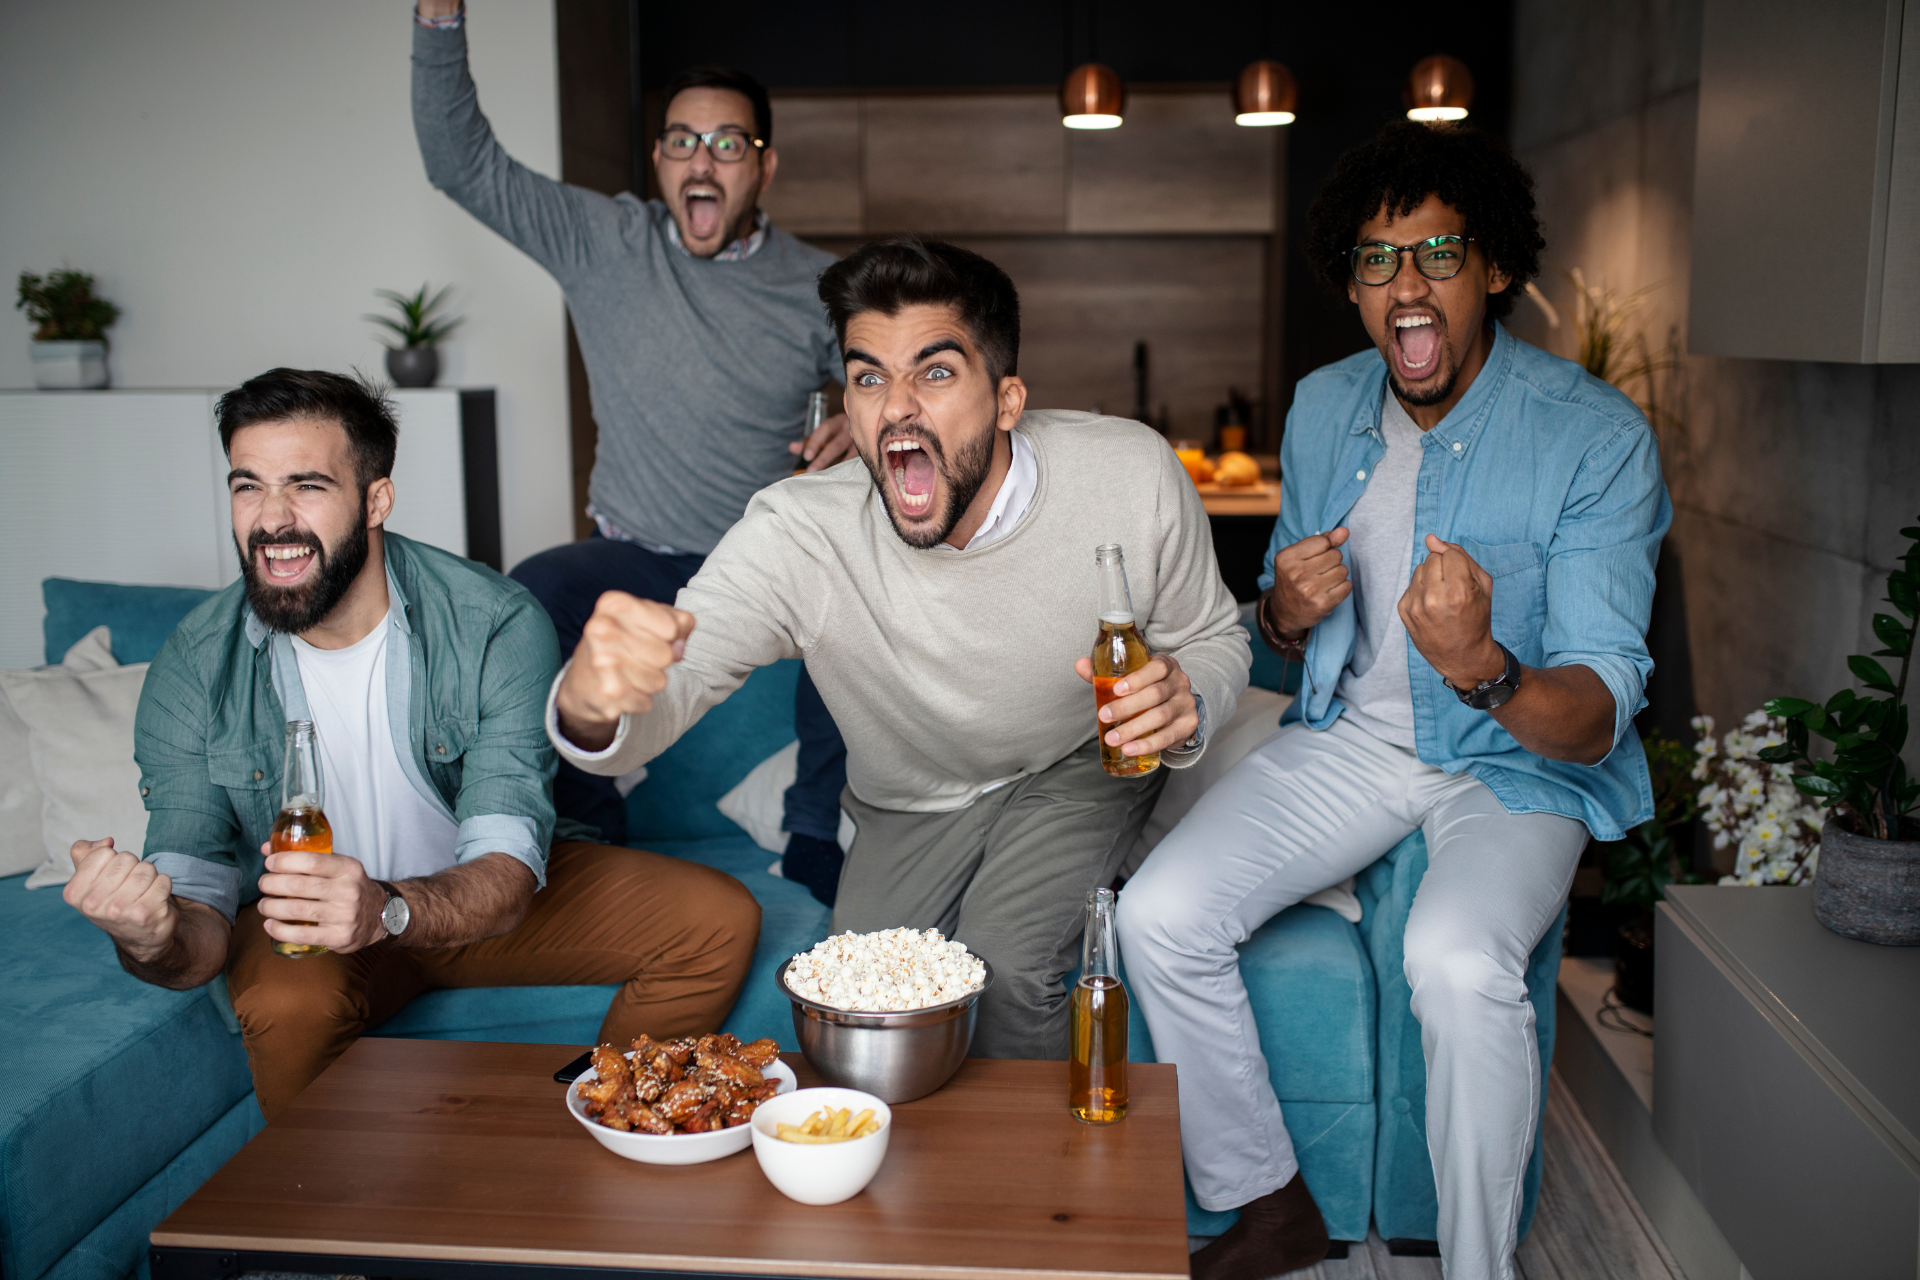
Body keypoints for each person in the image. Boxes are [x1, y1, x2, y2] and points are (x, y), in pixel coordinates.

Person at [1119, 122, 1671, 1280]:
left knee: (1458, 958)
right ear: (1352, 282)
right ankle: (1267, 1201)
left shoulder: (1595, 437)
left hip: (1511, 763)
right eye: (1377, 259)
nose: (1406, 284)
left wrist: (1485, 665)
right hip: (1352, 746)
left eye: (1437, 253)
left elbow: (1599, 713)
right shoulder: (1323, 406)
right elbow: (1283, 637)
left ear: (1496, 265)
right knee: (1159, 912)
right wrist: (1283, 610)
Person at [543, 236, 1252, 1057]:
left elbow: (1212, 636)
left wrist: (1187, 699)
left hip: (1074, 762)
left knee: (1006, 971)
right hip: (912, 802)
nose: (896, 408)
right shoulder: (798, 531)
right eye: (869, 377)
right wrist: (588, 708)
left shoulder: (1130, 471)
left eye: (935, 372)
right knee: (863, 1008)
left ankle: (1026, 1150)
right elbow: (680, 679)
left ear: (1007, 400)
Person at [60, 369, 761, 1121]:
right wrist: (151, 937)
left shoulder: (493, 621)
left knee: (717, 920)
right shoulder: (194, 665)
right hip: (314, 933)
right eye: (248, 486)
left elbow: (506, 868)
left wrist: (386, 910)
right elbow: (196, 929)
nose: (271, 519)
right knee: (284, 1000)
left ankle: (606, 1123)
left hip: (471, 897)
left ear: (376, 500)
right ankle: (328, 1192)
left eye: (307, 486)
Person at [410, 2, 851, 897]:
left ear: (763, 166)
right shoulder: (604, 241)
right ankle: (584, 817)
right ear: (659, 160)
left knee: (858, 604)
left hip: (763, 559)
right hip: (637, 552)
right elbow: (461, 162)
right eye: (683, 141)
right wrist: (438, 17)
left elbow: (895, 388)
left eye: (728, 144)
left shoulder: (819, 285)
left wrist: (860, 423)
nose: (702, 160)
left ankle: (813, 827)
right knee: (534, 590)